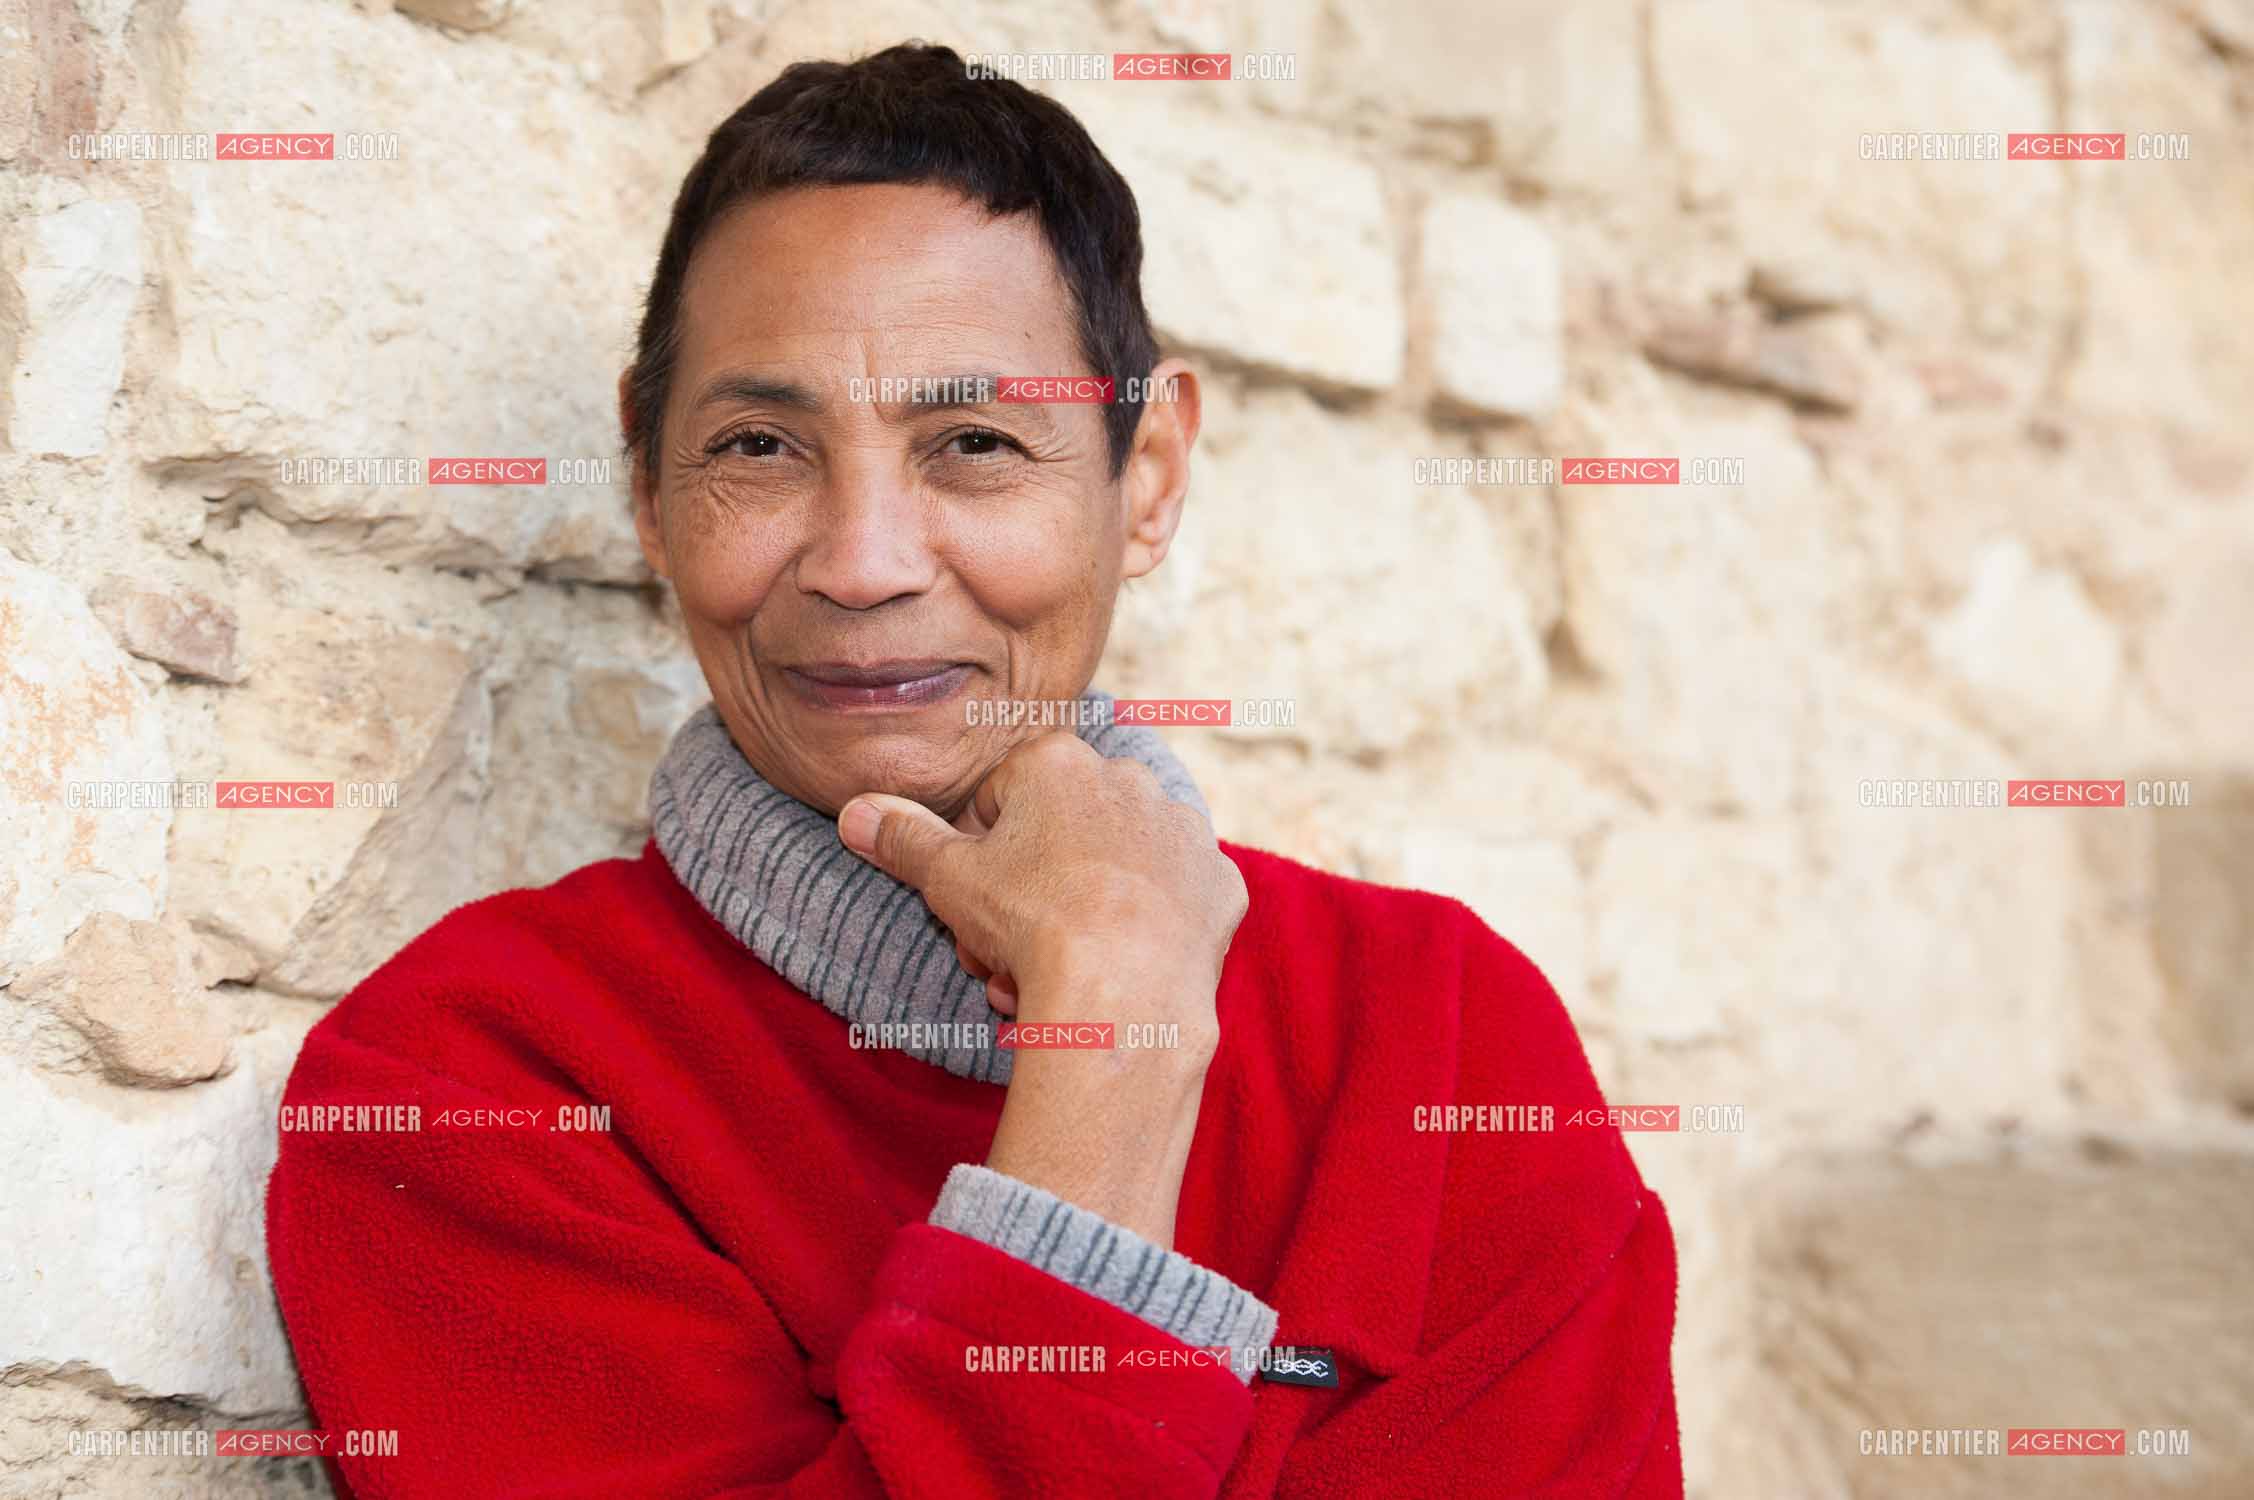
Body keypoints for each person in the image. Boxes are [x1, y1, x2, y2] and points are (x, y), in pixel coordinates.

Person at [266, 43, 1681, 1498]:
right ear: (645, 482)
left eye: (975, 443)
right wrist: (1112, 1047)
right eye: (758, 445)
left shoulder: (1435, 1044)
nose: (864, 564)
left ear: (1147, 480)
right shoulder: (471, 1089)